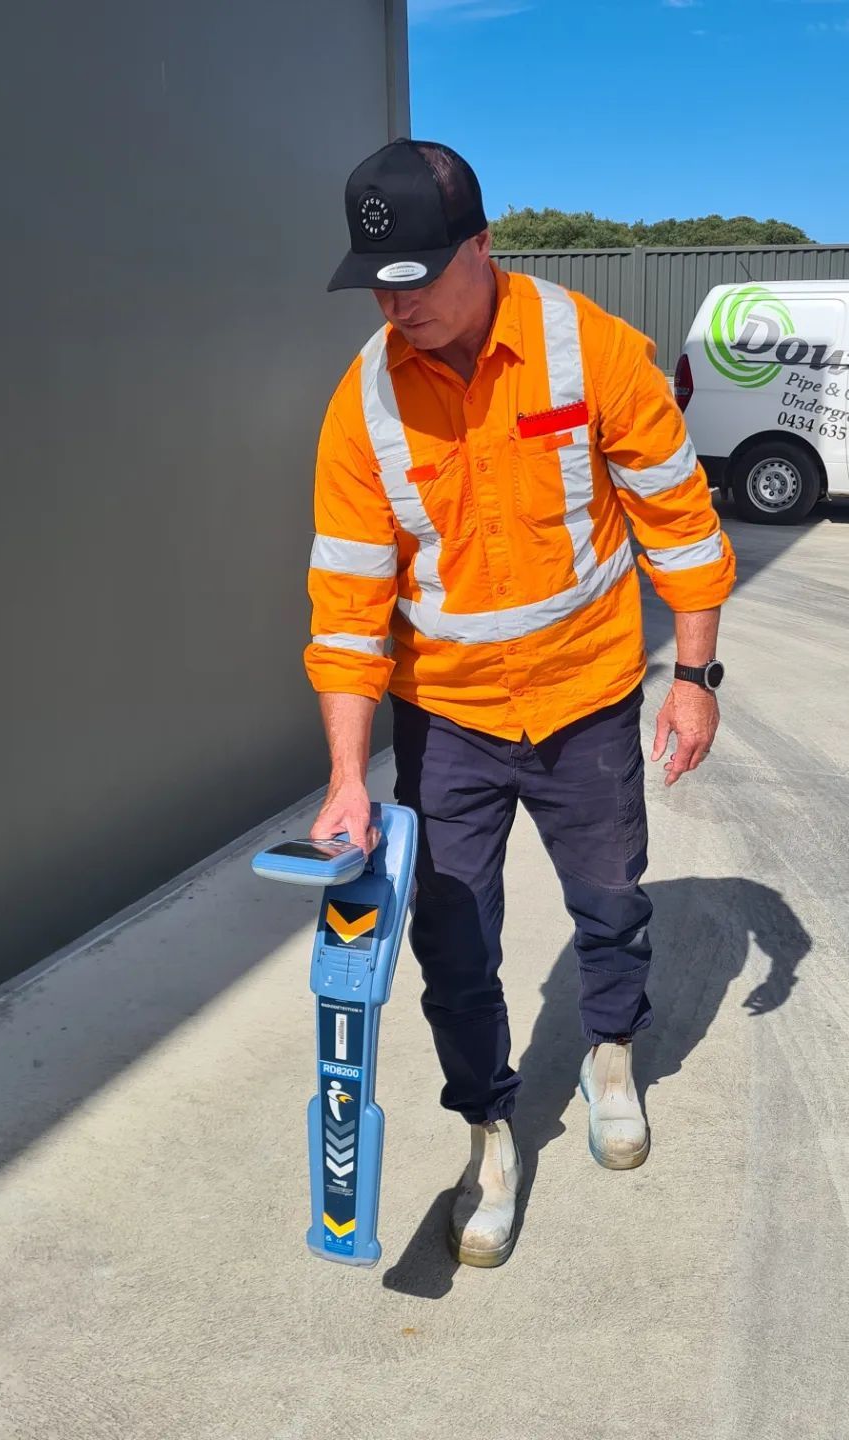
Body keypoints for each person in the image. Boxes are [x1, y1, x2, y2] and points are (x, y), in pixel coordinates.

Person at [305, 138, 735, 1267]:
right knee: (454, 946)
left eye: (421, 278)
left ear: (483, 248)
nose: (399, 305)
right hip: (446, 718)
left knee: (610, 904)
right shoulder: (365, 405)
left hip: (589, 698)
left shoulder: (587, 350)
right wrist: (350, 778)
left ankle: (609, 1058)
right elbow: (347, 608)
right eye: (380, 283)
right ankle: (489, 1132)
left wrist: (692, 679)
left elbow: (681, 525)